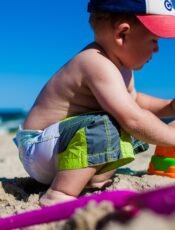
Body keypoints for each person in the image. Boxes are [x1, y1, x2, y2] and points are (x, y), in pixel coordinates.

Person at [14, 0, 175, 206]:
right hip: (38, 149)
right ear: (122, 34)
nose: (157, 49)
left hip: (61, 148)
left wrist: (169, 106)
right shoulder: (95, 62)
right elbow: (133, 118)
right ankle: (60, 194)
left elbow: (133, 101)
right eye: (154, 40)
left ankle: (90, 179)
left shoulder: (122, 67)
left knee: (124, 124)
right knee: (114, 124)